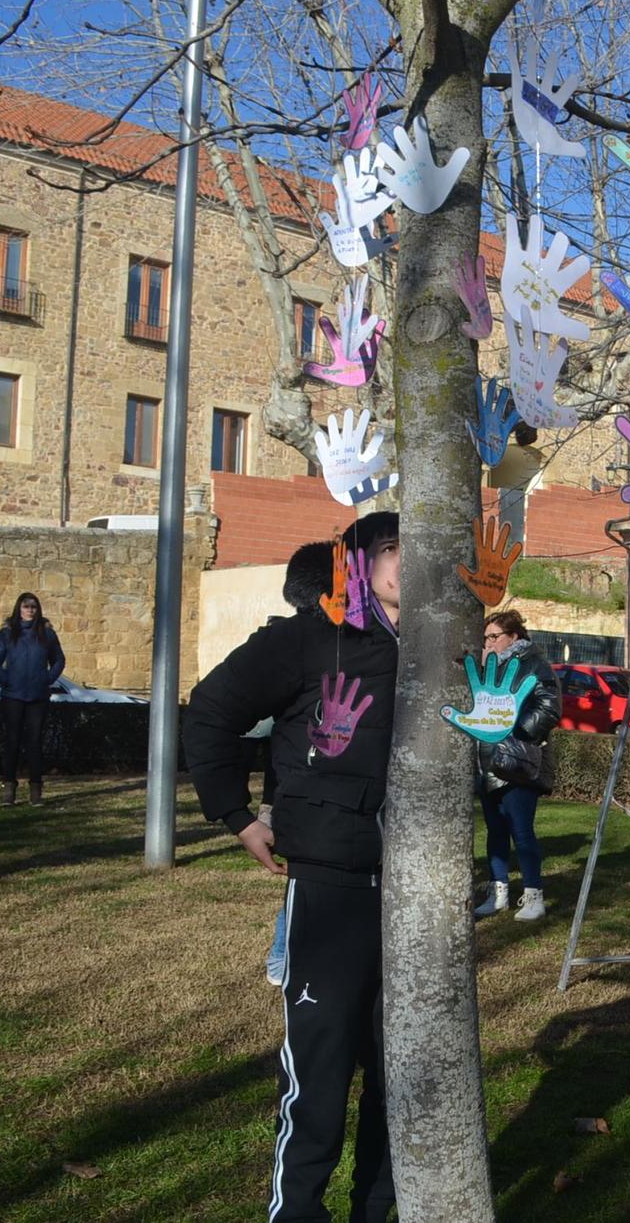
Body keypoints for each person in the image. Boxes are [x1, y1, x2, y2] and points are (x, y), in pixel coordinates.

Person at [185, 513, 401, 1223]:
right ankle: (298, 1212)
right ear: (358, 562)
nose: (409, 564)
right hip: (330, 883)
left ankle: (381, 1207)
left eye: (419, 550)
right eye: (392, 550)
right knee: (321, 1064)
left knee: (400, 1070)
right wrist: (237, 815)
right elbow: (212, 710)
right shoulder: (308, 639)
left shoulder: (439, 648)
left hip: (418, 891)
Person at [260, 540, 346, 987]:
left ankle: (298, 956)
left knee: (320, 883)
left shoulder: (342, 647)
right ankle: (281, 954)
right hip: (300, 789)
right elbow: (247, 724)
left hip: (327, 791)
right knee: (306, 882)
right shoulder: (288, 646)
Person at [470, 609, 562, 923]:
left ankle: (534, 896)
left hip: (518, 759)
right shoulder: (489, 667)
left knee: (521, 831)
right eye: (486, 638)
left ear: (515, 636)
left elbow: (549, 707)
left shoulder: (534, 664)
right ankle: (498, 895)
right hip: (487, 758)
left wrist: (514, 730)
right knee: (495, 831)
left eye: (494, 636)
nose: (489, 643)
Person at [0, 591, 65, 806]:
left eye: (33, 606)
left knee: (35, 742)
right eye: (26, 606)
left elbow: (58, 660)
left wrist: (46, 679)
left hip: (38, 695)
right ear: (19, 608)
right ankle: (9, 788)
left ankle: (36, 789)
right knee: (11, 741)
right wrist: (7, 679)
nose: (30, 610)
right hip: (13, 695)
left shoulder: (47, 634)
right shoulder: (7, 633)